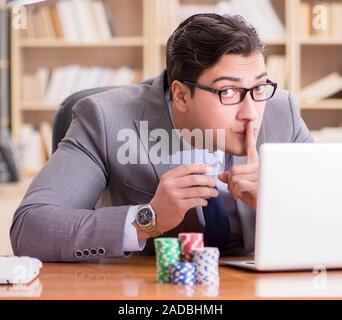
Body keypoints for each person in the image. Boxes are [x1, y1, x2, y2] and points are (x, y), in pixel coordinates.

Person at [10, 13, 313, 262]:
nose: (251, 113)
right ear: (181, 94)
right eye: (228, 92)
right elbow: (30, 229)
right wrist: (148, 218)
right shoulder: (106, 119)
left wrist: (281, 203)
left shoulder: (280, 112)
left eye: (259, 88)